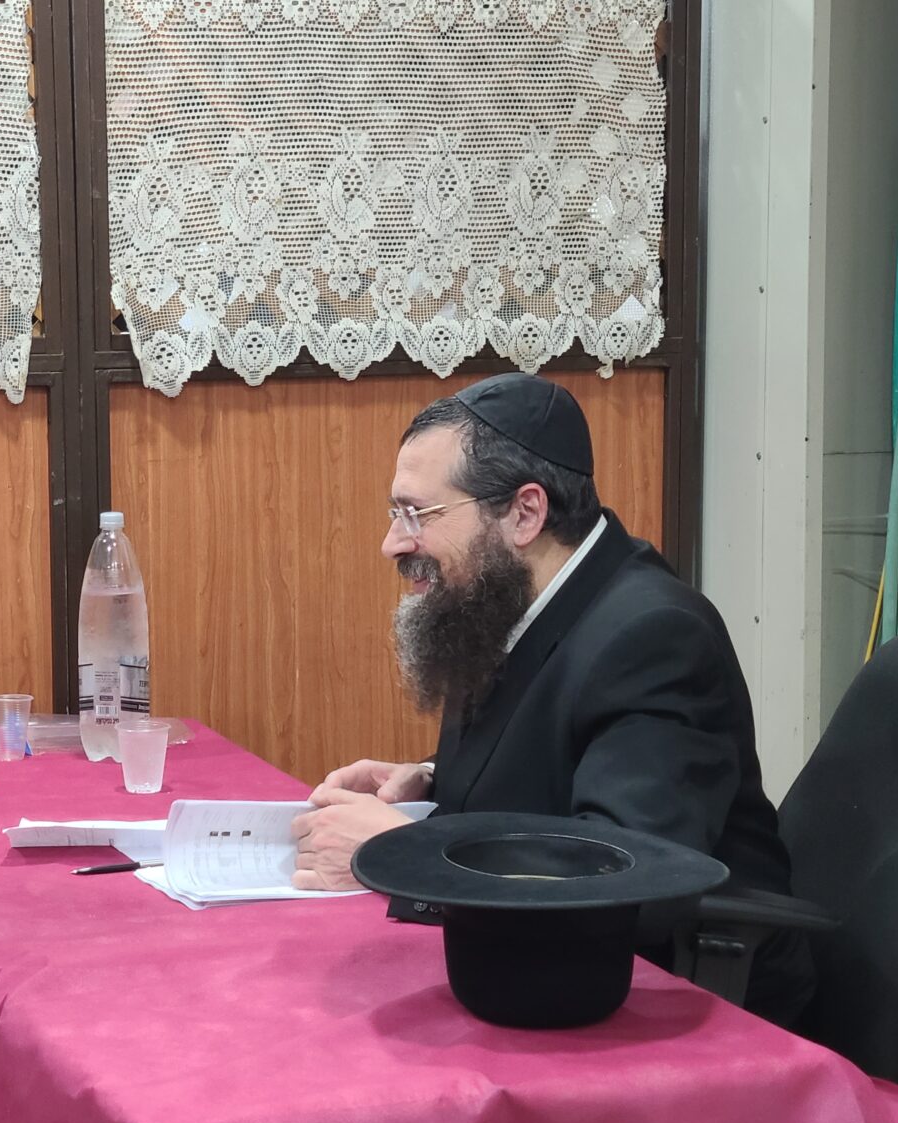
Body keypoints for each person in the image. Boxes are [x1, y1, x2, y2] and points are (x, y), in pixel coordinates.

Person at [291, 374, 814, 1027]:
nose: (392, 543)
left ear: (525, 513)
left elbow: (624, 874)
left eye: (416, 514)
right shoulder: (510, 599)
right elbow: (551, 757)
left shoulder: (654, 636)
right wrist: (428, 777)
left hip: (681, 1000)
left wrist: (405, 850)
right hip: (537, 972)